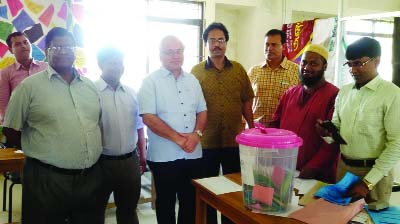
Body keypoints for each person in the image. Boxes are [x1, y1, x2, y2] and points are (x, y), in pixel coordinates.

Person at [2, 27, 104, 223]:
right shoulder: (28, 87)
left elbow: (96, 124)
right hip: (46, 180)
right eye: (57, 46)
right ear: (47, 49)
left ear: (75, 50)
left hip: (90, 178)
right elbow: (11, 129)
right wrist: (41, 151)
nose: (64, 50)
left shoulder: (90, 86)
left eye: (69, 46)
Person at [317, 37, 400, 205]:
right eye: (349, 64)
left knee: (369, 219)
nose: (353, 70)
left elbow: (396, 144)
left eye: (358, 64)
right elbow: (337, 129)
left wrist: (368, 182)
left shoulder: (392, 94)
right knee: (340, 217)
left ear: (376, 61)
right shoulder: (345, 92)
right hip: (344, 169)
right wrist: (326, 132)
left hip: (375, 173)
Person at [138, 35, 207, 224]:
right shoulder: (150, 82)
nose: (175, 56)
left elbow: (202, 111)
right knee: (166, 204)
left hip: (193, 154)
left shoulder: (193, 80)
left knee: (190, 202)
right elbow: (148, 117)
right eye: (169, 52)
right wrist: (178, 139)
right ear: (160, 55)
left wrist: (196, 134)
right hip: (163, 157)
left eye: (179, 51)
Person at [190, 22, 254, 224]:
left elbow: (246, 100)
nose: (216, 44)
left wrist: (252, 128)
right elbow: (191, 106)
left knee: (233, 190)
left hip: (233, 141)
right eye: (212, 40)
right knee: (208, 189)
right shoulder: (196, 72)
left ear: (226, 43)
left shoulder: (238, 69)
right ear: (206, 44)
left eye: (220, 40)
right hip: (206, 141)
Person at [269, 44, 339, 183]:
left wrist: (312, 167)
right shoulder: (290, 93)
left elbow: (332, 140)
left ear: (324, 66)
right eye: (304, 63)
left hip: (316, 173)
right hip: (285, 167)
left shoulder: (334, 95)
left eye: (313, 64)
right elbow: (275, 126)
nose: (307, 68)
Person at [95, 46, 146, 224]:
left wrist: (142, 154)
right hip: (100, 163)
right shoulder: (91, 92)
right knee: (95, 210)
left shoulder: (132, 93)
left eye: (120, 63)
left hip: (130, 162)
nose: (117, 67)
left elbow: (139, 126)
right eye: (112, 63)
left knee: (128, 210)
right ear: (100, 64)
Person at [248, 29, 299, 126]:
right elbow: (245, 101)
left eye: (274, 45)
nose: (269, 48)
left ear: (283, 47)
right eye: (267, 44)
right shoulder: (254, 71)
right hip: (257, 130)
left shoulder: (296, 71)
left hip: (283, 130)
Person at [0, 32, 47, 124]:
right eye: (17, 44)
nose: (23, 46)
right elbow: (3, 104)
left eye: (25, 42)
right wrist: (10, 127)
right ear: (10, 50)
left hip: (47, 121)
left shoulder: (46, 68)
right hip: (21, 125)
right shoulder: (5, 73)